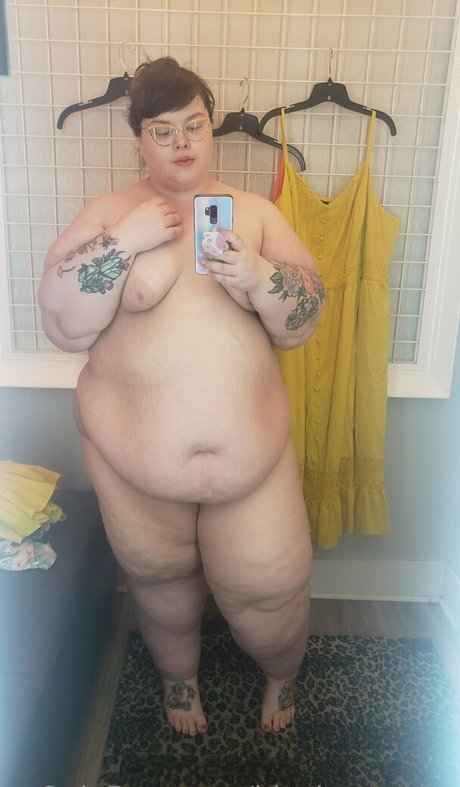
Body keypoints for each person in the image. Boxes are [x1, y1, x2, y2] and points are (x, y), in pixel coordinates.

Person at [38, 57, 326, 736]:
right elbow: (62, 323)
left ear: (212, 126)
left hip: (252, 464)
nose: (182, 143)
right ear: (139, 140)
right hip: (135, 466)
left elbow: (304, 318)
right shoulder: (108, 213)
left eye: (193, 125)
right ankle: (180, 681)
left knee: (272, 591)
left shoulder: (253, 215)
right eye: (162, 131)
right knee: (160, 585)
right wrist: (126, 239)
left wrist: (257, 276)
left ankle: (281, 677)